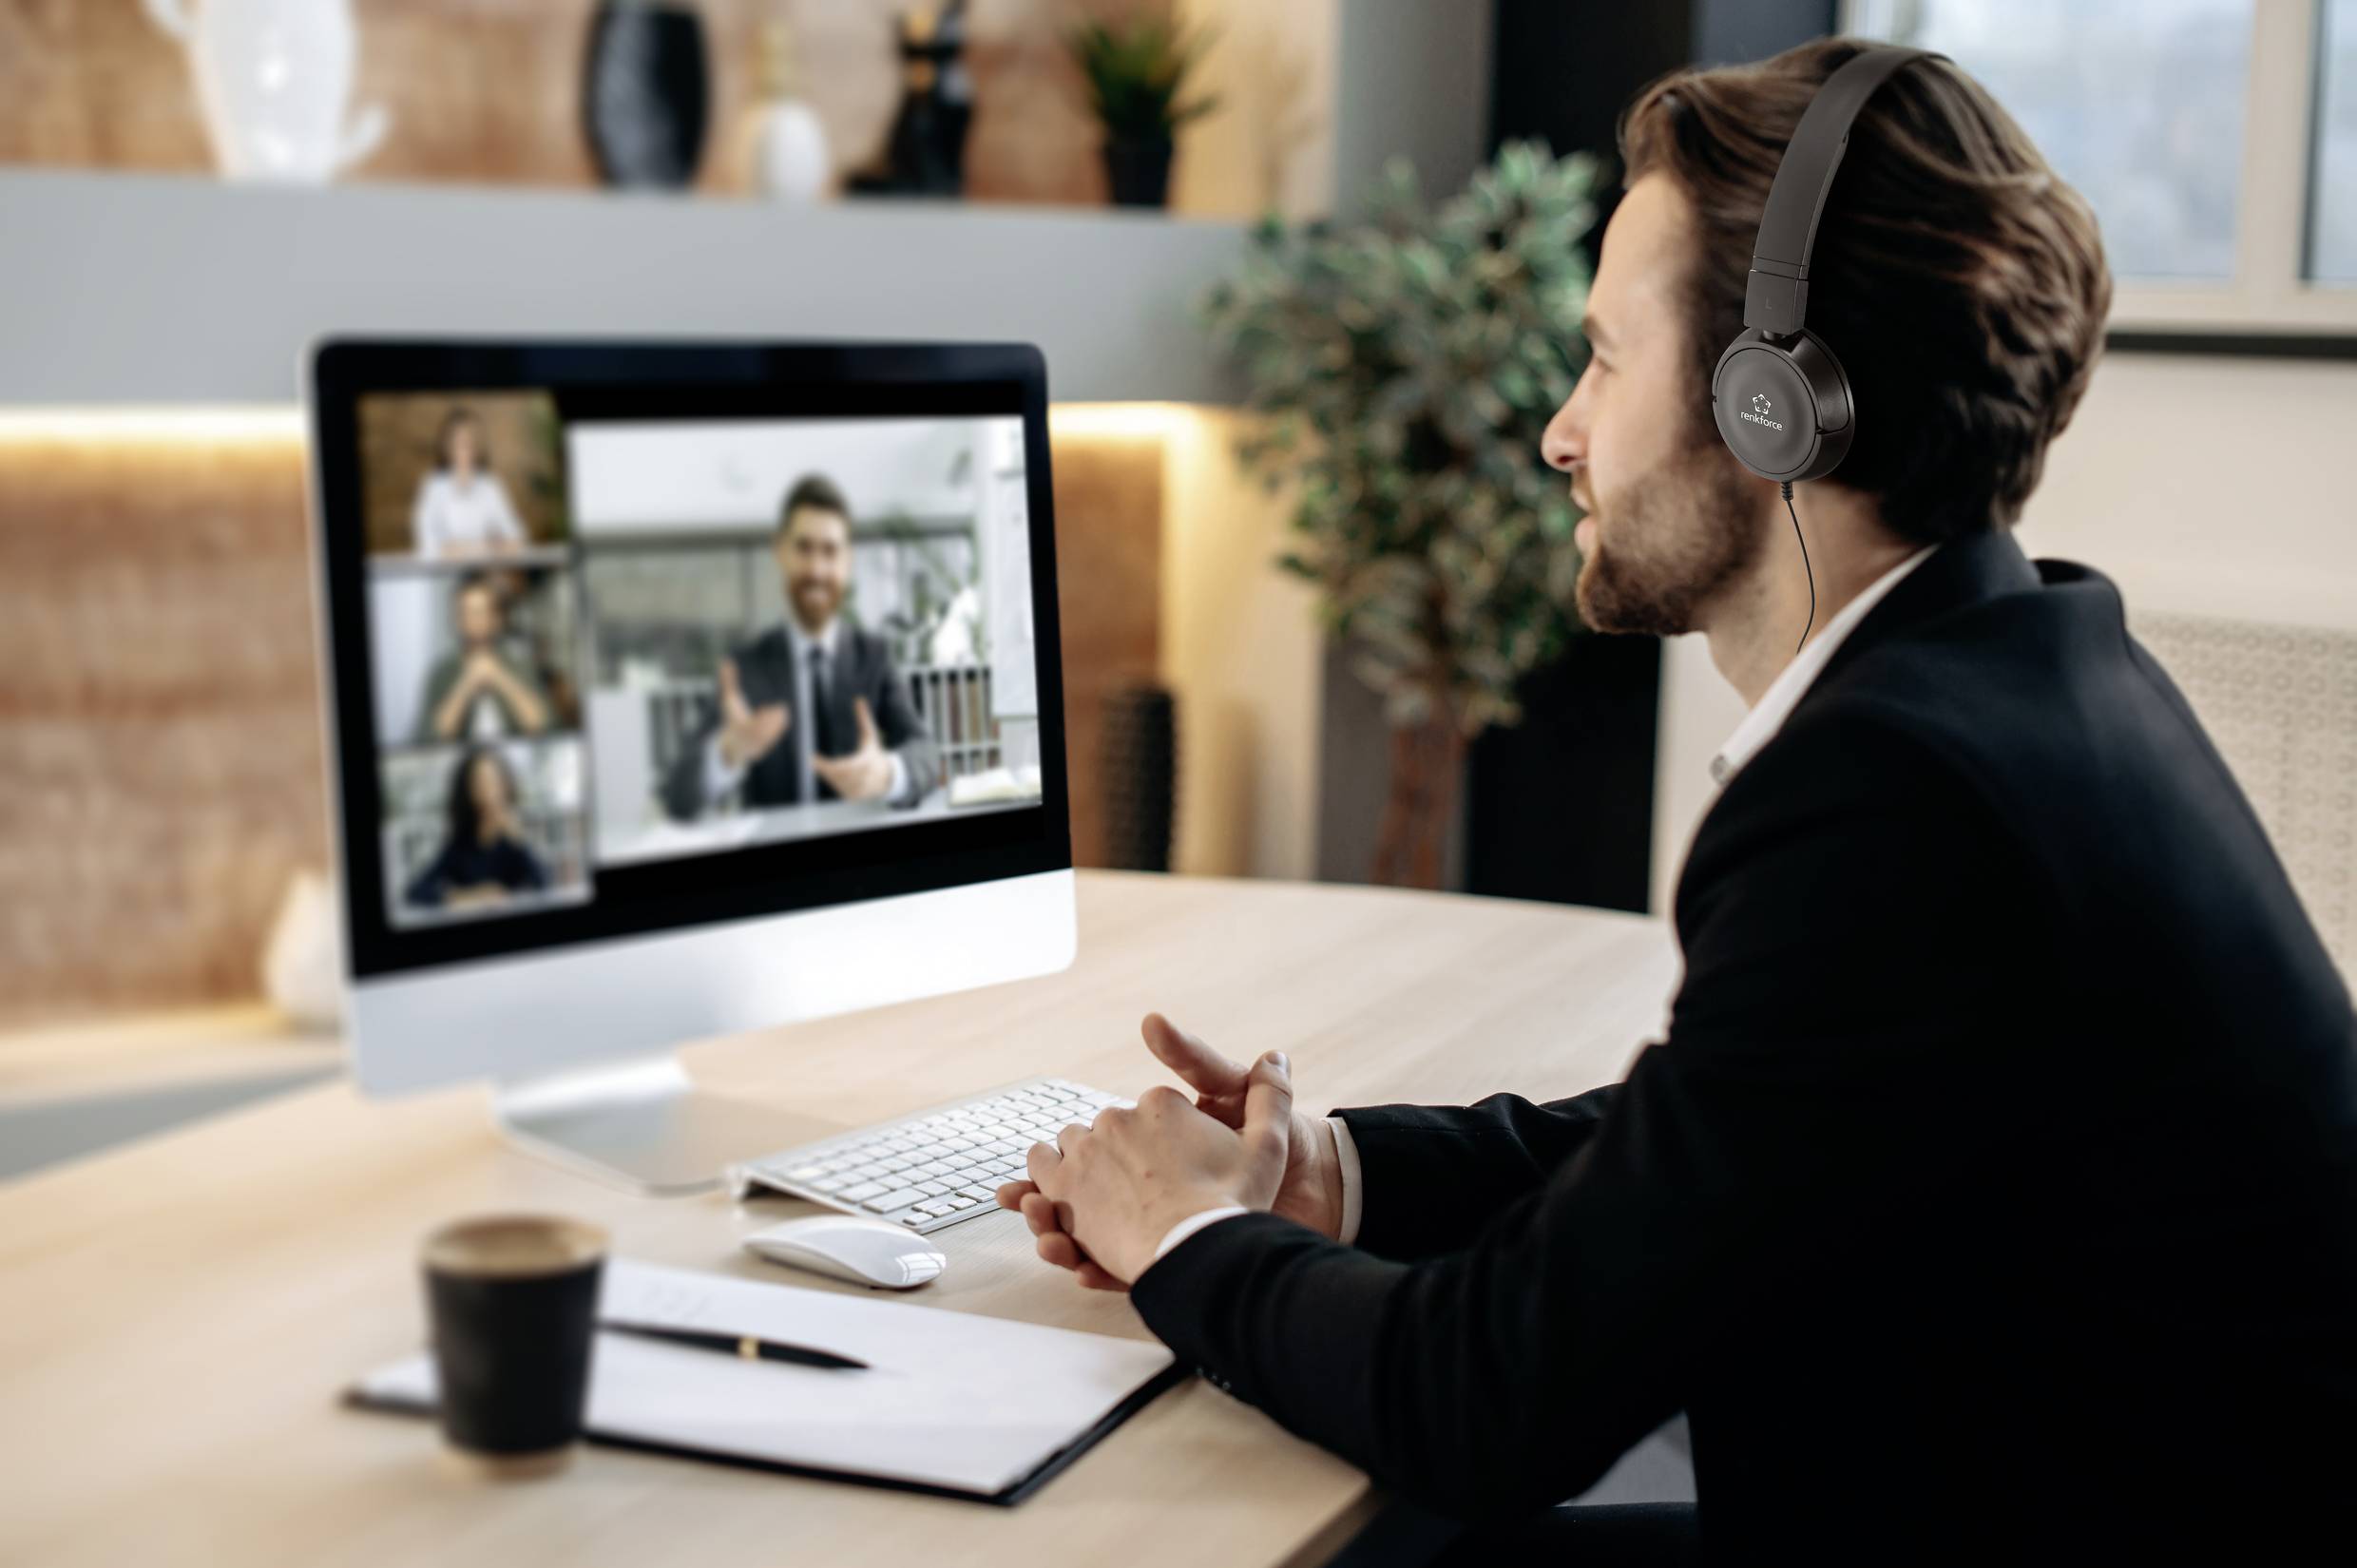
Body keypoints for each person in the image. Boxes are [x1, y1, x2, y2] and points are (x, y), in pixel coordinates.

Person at [996, 39, 2357, 1563]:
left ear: (1776, 401)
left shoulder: (1897, 790)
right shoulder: (2034, 663)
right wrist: (1328, 1171)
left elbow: (1488, 1396)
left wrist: (1189, 1236)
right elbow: (1700, 1147)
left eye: (1603, 357)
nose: (1557, 430)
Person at [661, 473, 941, 822]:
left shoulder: (874, 657)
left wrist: (887, 772)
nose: (817, 569)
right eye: (804, 548)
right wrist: (726, 752)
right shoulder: (745, 667)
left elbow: (927, 751)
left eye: (830, 551)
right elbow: (676, 796)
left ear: (847, 559)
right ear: (780, 550)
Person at [404, 746, 550, 912]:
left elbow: (545, 885)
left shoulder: (514, 842)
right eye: (479, 783)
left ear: (505, 785)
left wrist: (520, 841)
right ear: (468, 792)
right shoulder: (460, 845)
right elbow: (414, 892)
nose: (488, 792)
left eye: (494, 781)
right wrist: (469, 896)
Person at [414, 572, 552, 743]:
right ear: (456, 620)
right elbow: (431, 737)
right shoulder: (442, 671)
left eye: (480, 612)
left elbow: (542, 726)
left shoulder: (520, 663)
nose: (473, 621)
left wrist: (499, 676)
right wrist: (466, 683)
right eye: (465, 612)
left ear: (497, 619)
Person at [412, 407, 527, 560]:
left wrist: (467, 548)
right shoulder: (433, 486)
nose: (465, 449)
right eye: (459, 442)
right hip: (442, 575)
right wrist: (488, 547)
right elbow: (426, 545)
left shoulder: (491, 485)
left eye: (470, 442)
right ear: (447, 446)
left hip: (483, 572)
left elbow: (517, 537)